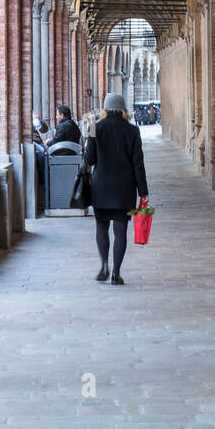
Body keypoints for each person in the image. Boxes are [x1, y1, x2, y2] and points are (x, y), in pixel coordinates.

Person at [83, 92, 149, 285]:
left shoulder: (95, 128)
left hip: (101, 186)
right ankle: (116, 273)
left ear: (104, 108)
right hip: (124, 188)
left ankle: (104, 266)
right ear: (123, 109)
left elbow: (90, 160)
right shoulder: (132, 130)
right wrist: (143, 191)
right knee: (120, 230)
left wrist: (88, 144)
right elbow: (138, 164)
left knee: (101, 227)